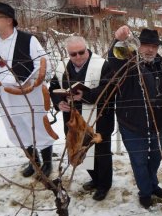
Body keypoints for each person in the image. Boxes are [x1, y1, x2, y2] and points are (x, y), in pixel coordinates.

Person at [0, 2, 54, 178]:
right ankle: (34, 162)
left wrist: (31, 82)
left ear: (9, 20)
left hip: (28, 92)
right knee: (16, 127)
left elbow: (43, 63)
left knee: (37, 125)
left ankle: (47, 163)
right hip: (4, 94)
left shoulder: (28, 40)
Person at [108, 25, 162, 209]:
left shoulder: (158, 65)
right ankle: (145, 192)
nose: (150, 49)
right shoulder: (128, 62)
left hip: (155, 124)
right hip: (133, 125)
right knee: (139, 161)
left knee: (156, 157)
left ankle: (152, 185)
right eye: (145, 45)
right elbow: (113, 59)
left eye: (154, 46)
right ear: (138, 46)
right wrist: (117, 40)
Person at [49, 36, 114, 201]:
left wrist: (85, 96)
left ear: (87, 49)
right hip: (72, 119)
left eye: (81, 52)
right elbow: (54, 87)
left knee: (101, 153)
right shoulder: (61, 66)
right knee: (80, 150)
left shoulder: (102, 65)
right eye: (73, 54)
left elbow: (109, 89)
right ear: (68, 54)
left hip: (99, 118)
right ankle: (95, 178)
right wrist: (59, 102)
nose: (78, 57)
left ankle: (104, 185)